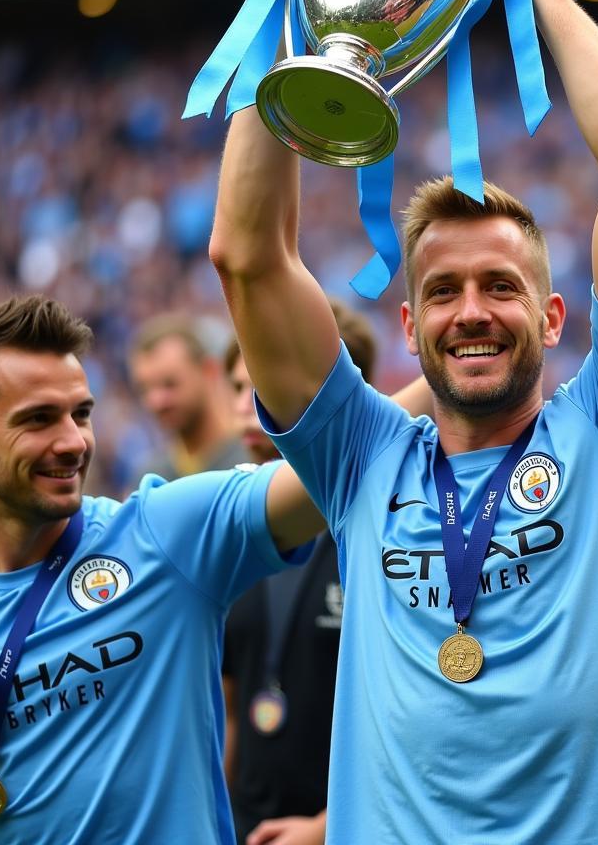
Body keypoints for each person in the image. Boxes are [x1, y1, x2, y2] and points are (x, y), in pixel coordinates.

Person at [209, 0, 598, 845]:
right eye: (442, 291)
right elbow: (247, 256)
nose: (471, 311)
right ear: (409, 325)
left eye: (500, 287)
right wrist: (290, 17)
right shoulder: (362, 459)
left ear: (556, 317)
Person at [0, 295, 325, 843]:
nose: (73, 442)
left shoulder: (161, 535)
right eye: (37, 419)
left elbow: (348, 462)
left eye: (80, 413)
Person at [223, 299, 429, 845]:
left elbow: (423, 717)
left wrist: (322, 828)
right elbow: (228, 712)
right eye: (237, 388)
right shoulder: (224, 530)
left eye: (261, 386)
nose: (247, 408)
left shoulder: (399, 523)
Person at [129, 311, 242, 481]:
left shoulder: (254, 459)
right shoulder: (151, 479)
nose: (156, 401)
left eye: (170, 384)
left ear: (209, 372)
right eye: (144, 389)